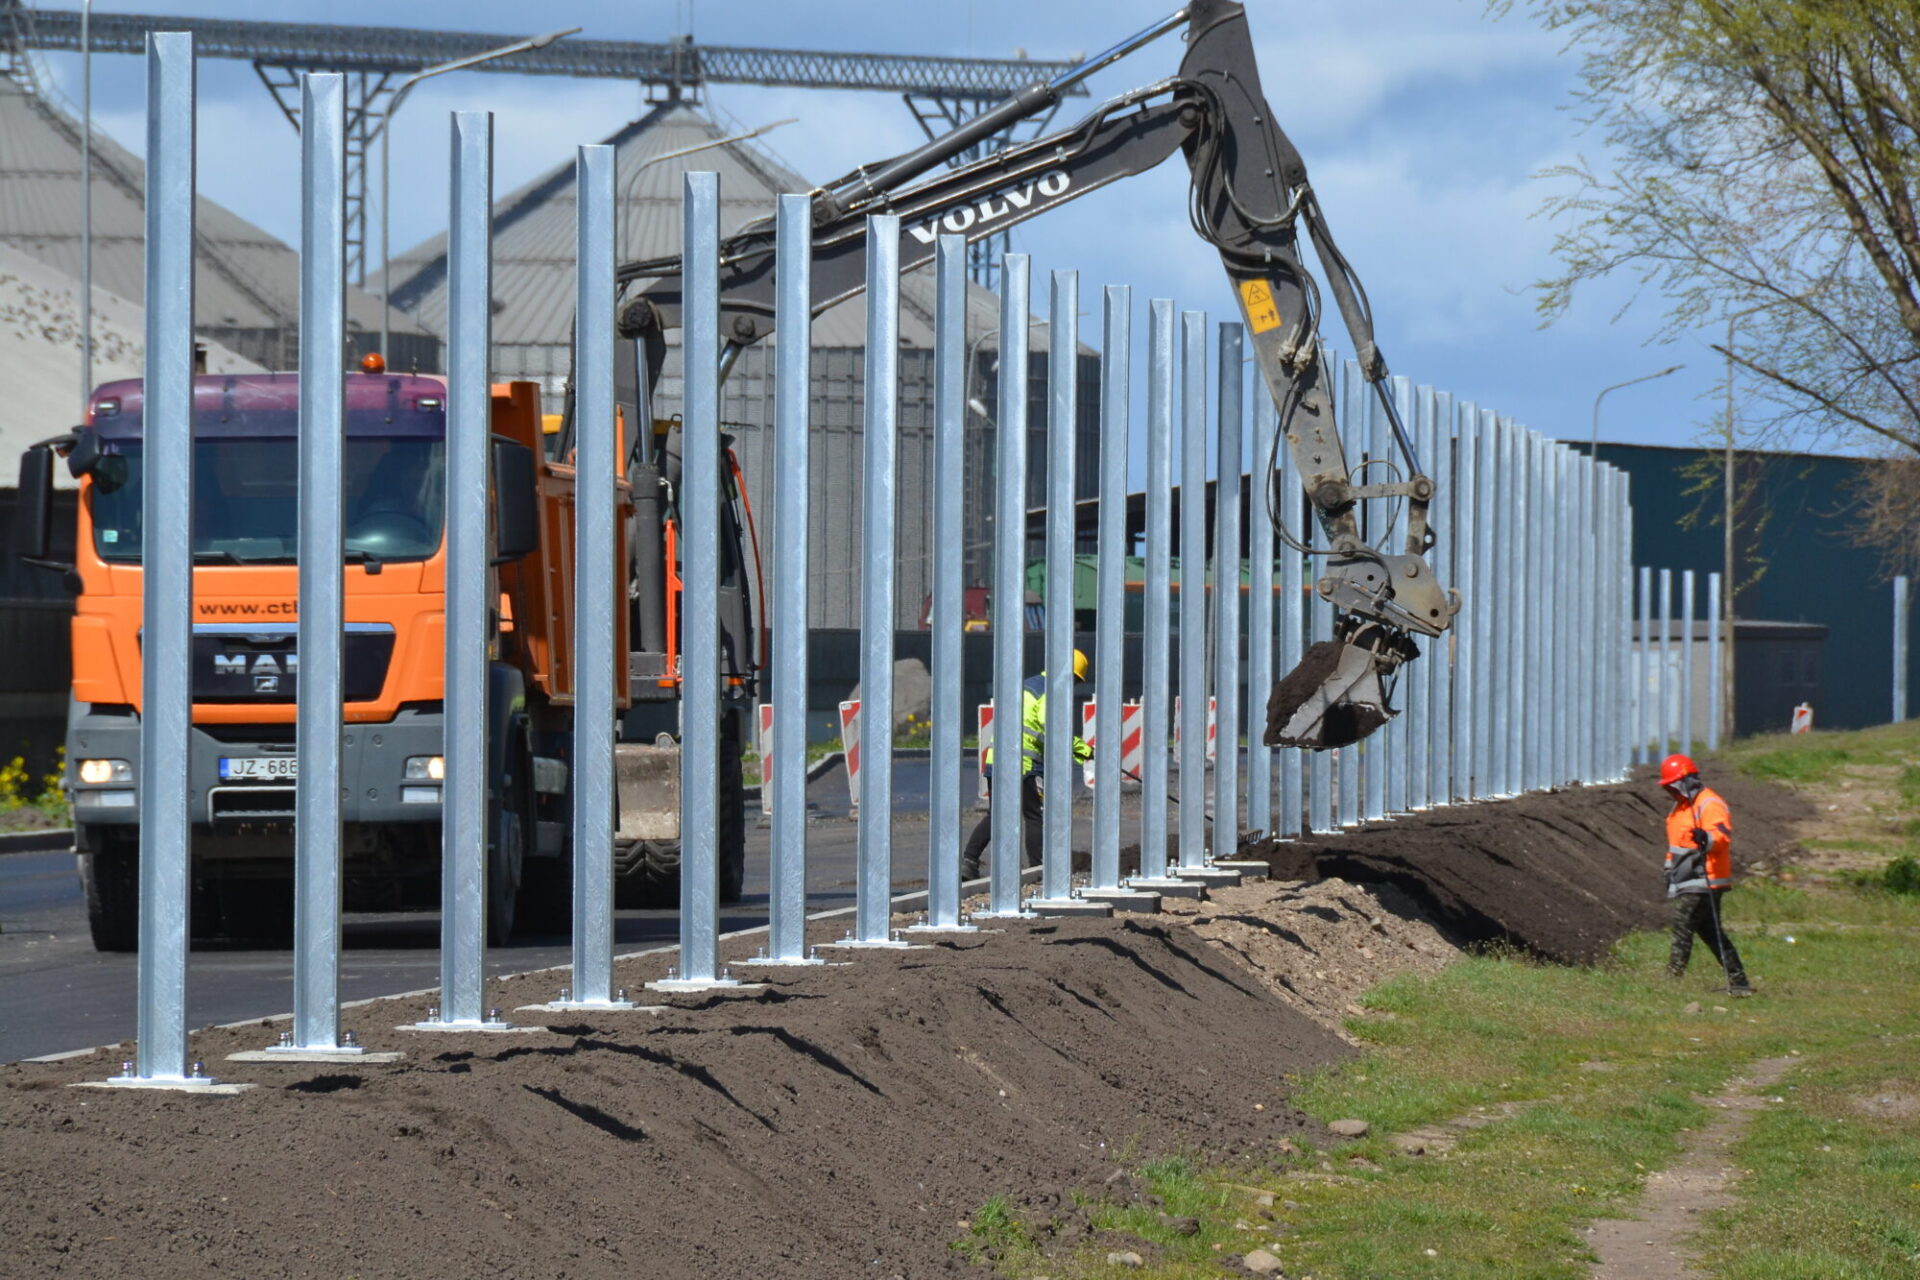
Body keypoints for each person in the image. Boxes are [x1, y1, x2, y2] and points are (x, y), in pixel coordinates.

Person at [961, 649, 1094, 880]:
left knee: (997, 815)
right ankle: (1038, 869)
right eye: (1074, 679)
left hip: (998, 760)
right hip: (1024, 764)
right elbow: (1051, 727)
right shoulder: (1050, 691)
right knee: (1034, 815)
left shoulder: (1027, 685)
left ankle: (969, 861)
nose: (1072, 685)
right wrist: (1083, 749)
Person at [1659, 752, 1753, 994]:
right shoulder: (1679, 809)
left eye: (1672, 786)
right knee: (1711, 933)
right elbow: (1676, 845)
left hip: (1706, 879)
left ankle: (1672, 980)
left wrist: (1707, 838)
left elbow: (1722, 836)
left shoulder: (1710, 803)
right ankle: (1738, 981)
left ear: (1686, 782)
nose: (1670, 791)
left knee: (1682, 926)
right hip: (1689, 879)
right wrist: (1670, 870)